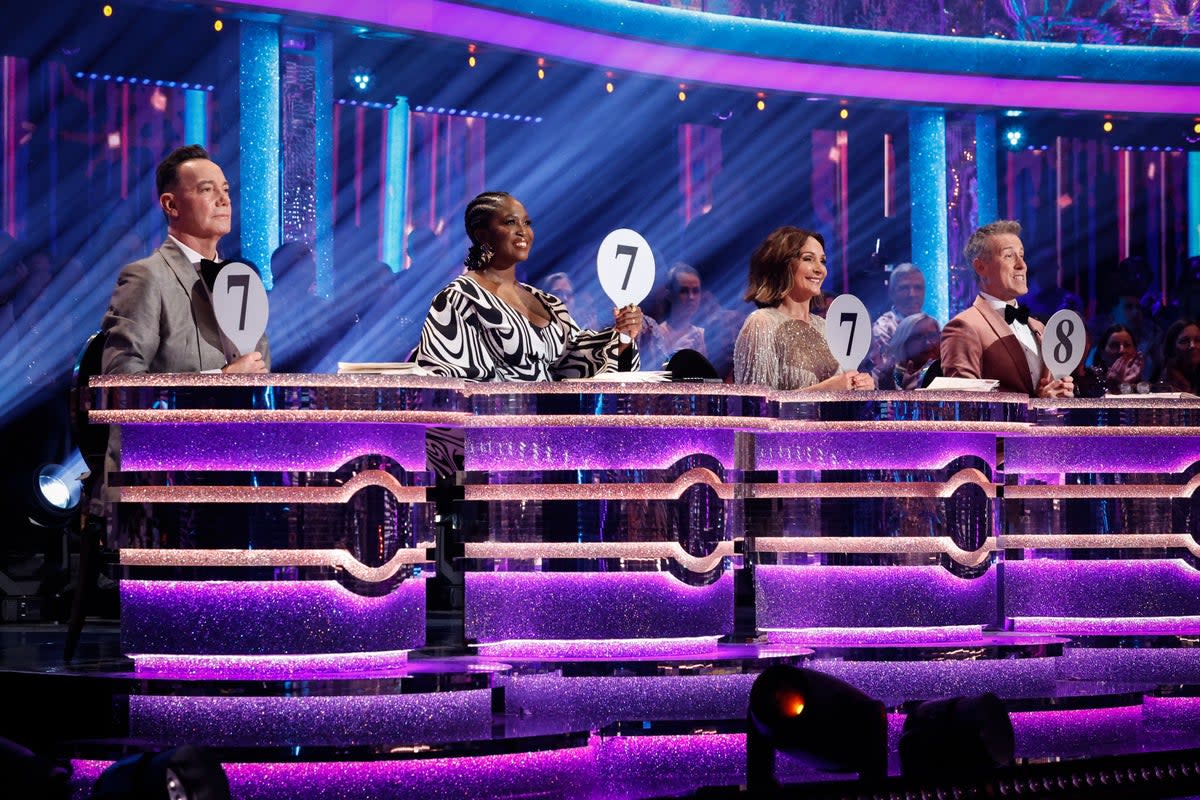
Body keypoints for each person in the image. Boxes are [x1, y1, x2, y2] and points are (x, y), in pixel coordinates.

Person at [415, 191, 643, 381]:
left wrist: (622, 335)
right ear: (482, 235)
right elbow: (446, 384)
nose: (523, 231)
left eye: (527, 223)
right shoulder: (460, 299)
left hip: (552, 428)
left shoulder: (549, 302)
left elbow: (577, 363)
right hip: (495, 431)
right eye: (510, 222)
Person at [100, 144, 269, 374]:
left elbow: (261, 370)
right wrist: (223, 379)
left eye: (226, 190)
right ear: (171, 204)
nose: (224, 200)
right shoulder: (147, 277)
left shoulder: (241, 280)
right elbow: (122, 379)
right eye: (207, 190)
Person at [940, 220, 1072, 398]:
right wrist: (1038, 405)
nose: (1022, 265)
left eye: (1022, 256)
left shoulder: (1039, 327)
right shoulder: (963, 327)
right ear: (980, 267)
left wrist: (1060, 393)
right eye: (1009, 256)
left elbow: (1045, 392)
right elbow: (965, 407)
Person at [732, 226, 874, 391]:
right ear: (783, 265)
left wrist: (860, 386)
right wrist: (825, 390)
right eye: (808, 259)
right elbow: (757, 406)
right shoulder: (762, 323)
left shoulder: (825, 327)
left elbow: (843, 386)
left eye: (822, 261)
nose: (819, 269)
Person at [868, 263, 925, 385]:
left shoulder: (930, 325)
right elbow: (888, 376)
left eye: (918, 287)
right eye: (905, 288)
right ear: (892, 292)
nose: (912, 294)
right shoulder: (883, 328)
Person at [886, 312, 941, 390]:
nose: (928, 343)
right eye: (918, 337)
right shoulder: (888, 378)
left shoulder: (950, 370)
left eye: (932, 335)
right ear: (904, 343)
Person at [1090, 324, 1145, 392]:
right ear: (1102, 353)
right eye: (1114, 345)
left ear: (1135, 350)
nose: (1122, 350)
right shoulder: (1090, 380)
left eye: (1127, 345)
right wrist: (1113, 383)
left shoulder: (1143, 385)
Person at [1154, 319, 1200, 395]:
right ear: (1172, 348)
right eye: (1185, 341)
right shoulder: (1166, 386)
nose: (1193, 346)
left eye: (1198, 340)